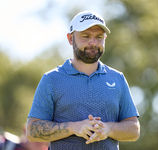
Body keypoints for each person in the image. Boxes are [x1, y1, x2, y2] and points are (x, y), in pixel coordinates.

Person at [26, 10, 140, 150]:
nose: (93, 42)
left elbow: (134, 130)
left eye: (99, 37)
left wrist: (108, 129)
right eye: (85, 36)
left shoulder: (118, 79)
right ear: (70, 39)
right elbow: (32, 131)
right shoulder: (51, 79)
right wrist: (74, 127)